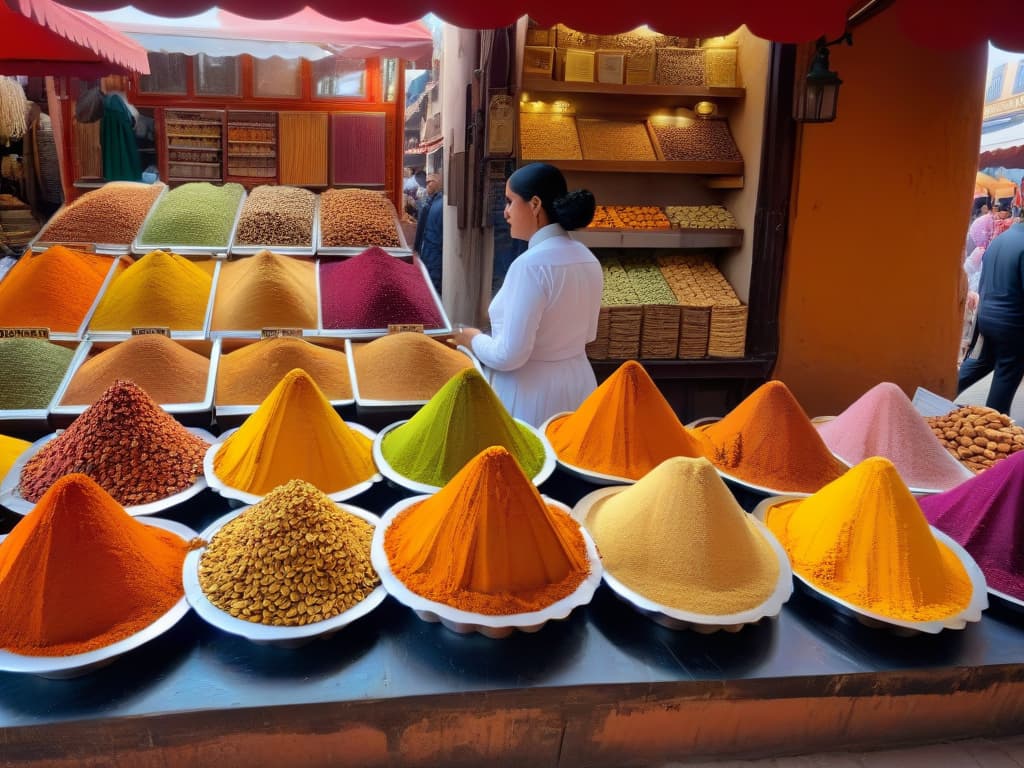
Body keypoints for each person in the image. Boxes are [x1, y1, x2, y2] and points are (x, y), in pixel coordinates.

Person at [451, 162, 603, 426]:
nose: (506, 212)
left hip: (532, 397)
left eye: (510, 202)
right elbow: (589, 335)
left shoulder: (531, 265)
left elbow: (508, 355)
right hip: (580, 387)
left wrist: (471, 338)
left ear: (534, 204)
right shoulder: (588, 259)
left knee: (531, 463)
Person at [957, 215, 1024, 415]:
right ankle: (995, 425)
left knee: (981, 362)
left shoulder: (1001, 240)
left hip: (987, 316)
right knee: (1007, 371)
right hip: (1012, 323)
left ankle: (938, 395)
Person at [413, 172, 443, 294]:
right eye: (426, 182)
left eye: (431, 181)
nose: (427, 185)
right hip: (426, 255)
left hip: (435, 257)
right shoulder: (430, 202)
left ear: (440, 183)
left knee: (432, 290)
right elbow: (421, 226)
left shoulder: (441, 205)